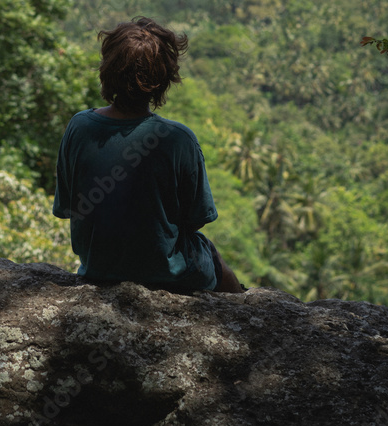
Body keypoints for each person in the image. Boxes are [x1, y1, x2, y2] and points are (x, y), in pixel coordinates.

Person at [52, 16, 244, 293]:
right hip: (167, 273)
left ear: (107, 70)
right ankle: (243, 307)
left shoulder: (79, 127)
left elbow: (67, 207)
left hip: (97, 268)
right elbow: (196, 219)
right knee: (210, 253)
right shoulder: (179, 139)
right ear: (165, 79)